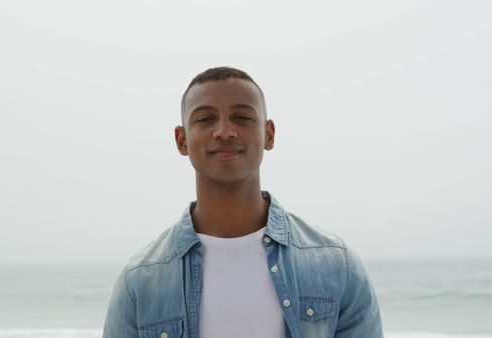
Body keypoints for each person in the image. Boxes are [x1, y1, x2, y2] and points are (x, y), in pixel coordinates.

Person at [102, 67, 383, 338]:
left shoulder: (337, 267)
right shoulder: (140, 281)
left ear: (269, 134)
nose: (224, 131)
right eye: (205, 119)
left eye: (242, 117)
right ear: (182, 139)